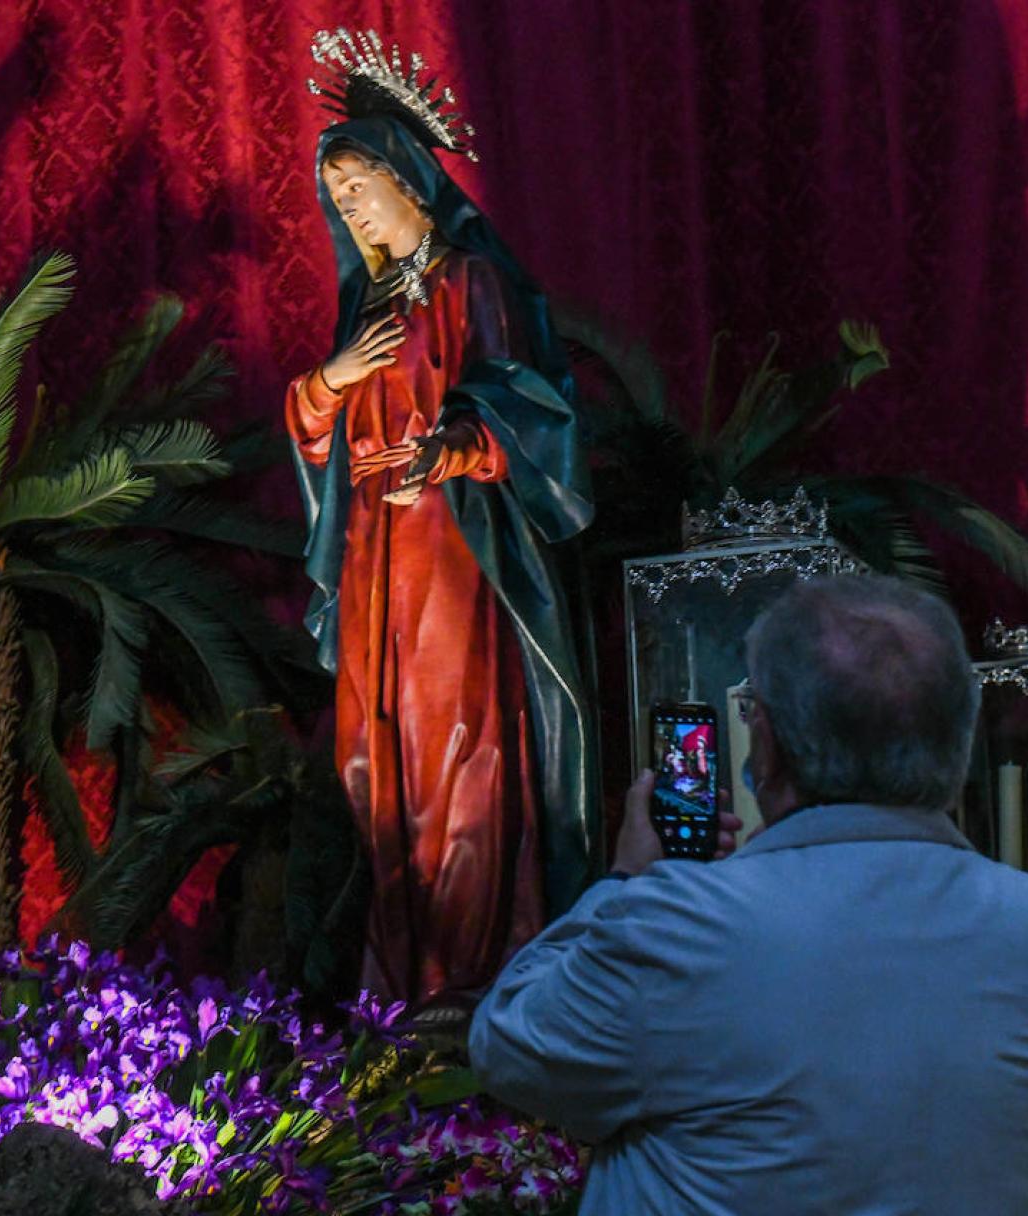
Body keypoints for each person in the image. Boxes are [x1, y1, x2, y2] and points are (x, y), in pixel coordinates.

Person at [470, 575, 1028, 1215]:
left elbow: (510, 1049)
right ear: (959, 744)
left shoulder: (677, 924)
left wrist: (623, 882)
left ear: (767, 746)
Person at [290, 29, 598, 1009]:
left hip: (454, 551)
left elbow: (527, 401)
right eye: (337, 200)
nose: (349, 210)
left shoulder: (472, 283)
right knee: (376, 760)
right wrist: (327, 383)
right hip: (376, 553)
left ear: (410, 182)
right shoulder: (363, 310)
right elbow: (315, 433)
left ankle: (472, 979)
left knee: (457, 754)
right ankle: (404, 982)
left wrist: (452, 446)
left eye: (360, 190)